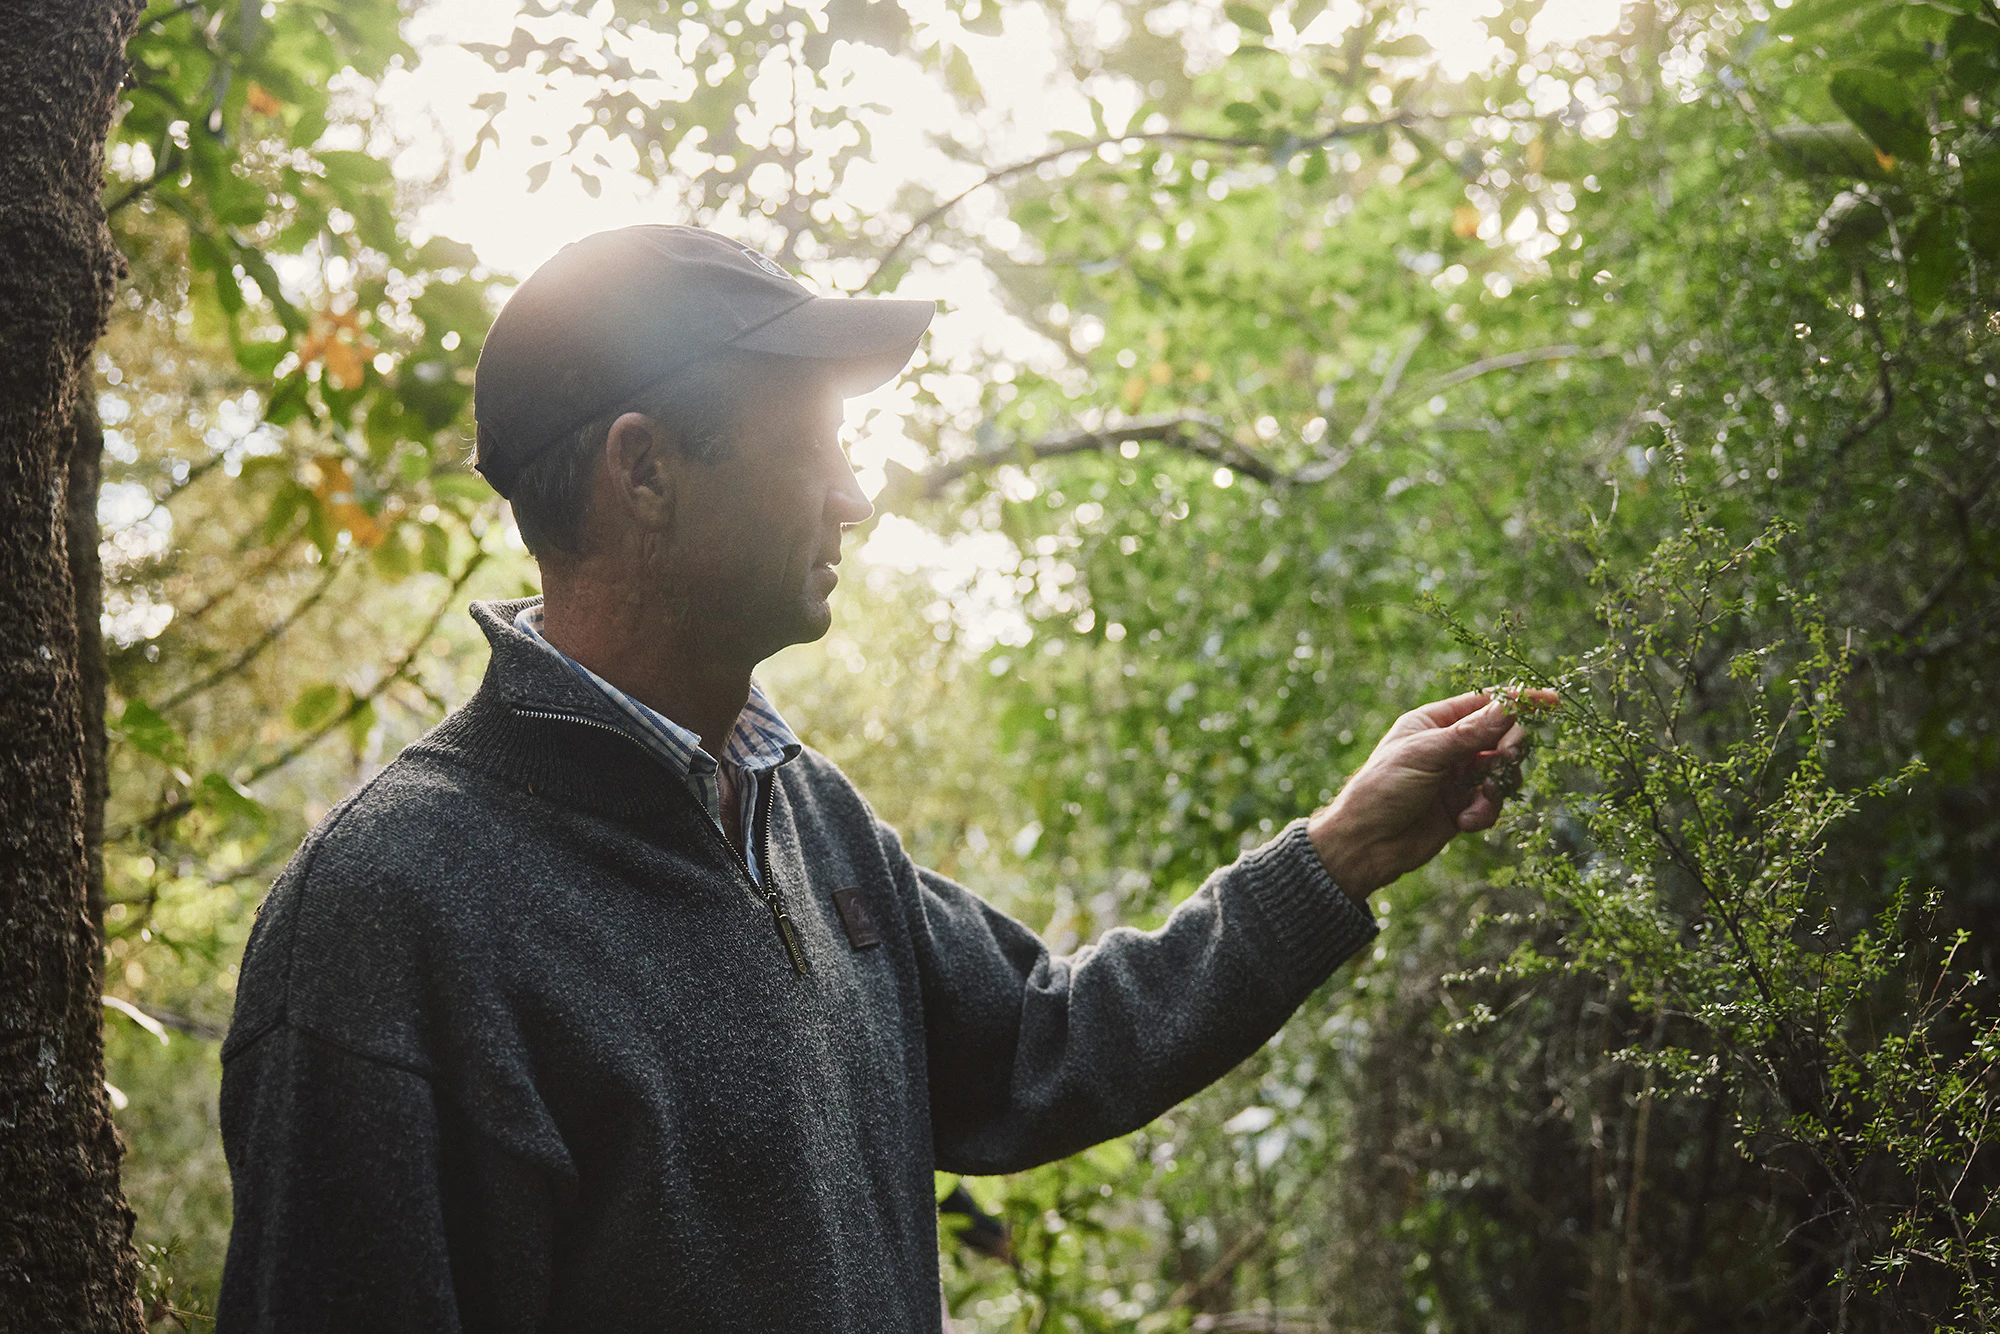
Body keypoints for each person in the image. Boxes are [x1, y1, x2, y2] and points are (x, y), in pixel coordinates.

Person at [215, 225, 1542, 1332]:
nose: (856, 497)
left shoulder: (806, 816)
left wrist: (1343, 850)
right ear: (645, 470)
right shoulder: (393, 910)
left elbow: (1039, 1040)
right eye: (814, 441)